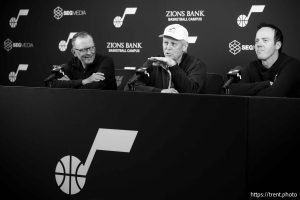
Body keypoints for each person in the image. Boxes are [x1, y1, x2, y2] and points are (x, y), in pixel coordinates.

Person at [126, 24, 206, 93]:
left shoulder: (196, 65)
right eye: (166, 43)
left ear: (184, 47)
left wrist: (173, 66)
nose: (168, 47)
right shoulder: (153, 62)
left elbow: (192, 92)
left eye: (173, 44)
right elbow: (130, 86)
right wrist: (160, 91)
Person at [229, 23, 300, 97]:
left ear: (277, 45)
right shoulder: (252, 66)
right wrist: (266, 84)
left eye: (265, 40)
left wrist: (249, 92)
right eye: (257, 41)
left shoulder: (291, 65)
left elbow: (273, 95)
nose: (259, 44)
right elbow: (233, 90)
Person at [46, 31, 117, 90]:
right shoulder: (72, 63)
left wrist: (70, 84)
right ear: (74, 52)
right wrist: (85, 81)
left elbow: (96, 87)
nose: (89, 53)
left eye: (92, 48)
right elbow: (50, 83)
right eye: (84, 50)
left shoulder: (105, 61)